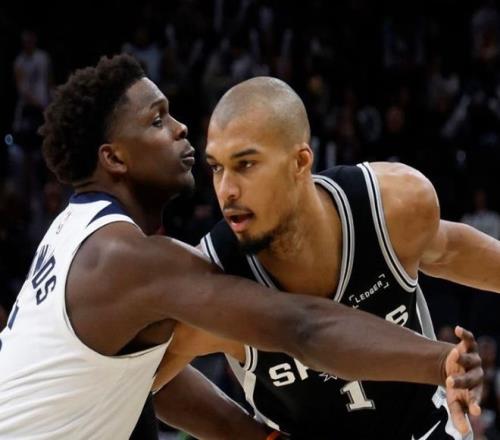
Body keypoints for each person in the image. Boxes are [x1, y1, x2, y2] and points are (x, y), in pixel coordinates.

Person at [0, 55, 481, 440]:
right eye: (157, 120)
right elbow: (303, 328)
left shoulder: (75, 234)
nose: (180, 128)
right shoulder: (127, 260)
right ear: (114, 158)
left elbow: (143, 378)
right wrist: (438, 361)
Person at [153, 76, 496, 439]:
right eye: (217, 167)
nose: (226, 190)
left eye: (246, 164)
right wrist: (246, 434)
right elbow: (141, 381)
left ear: (300, 162)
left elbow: (450, 250)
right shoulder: (214, 283)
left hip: (426, 429)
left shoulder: (390, 207)